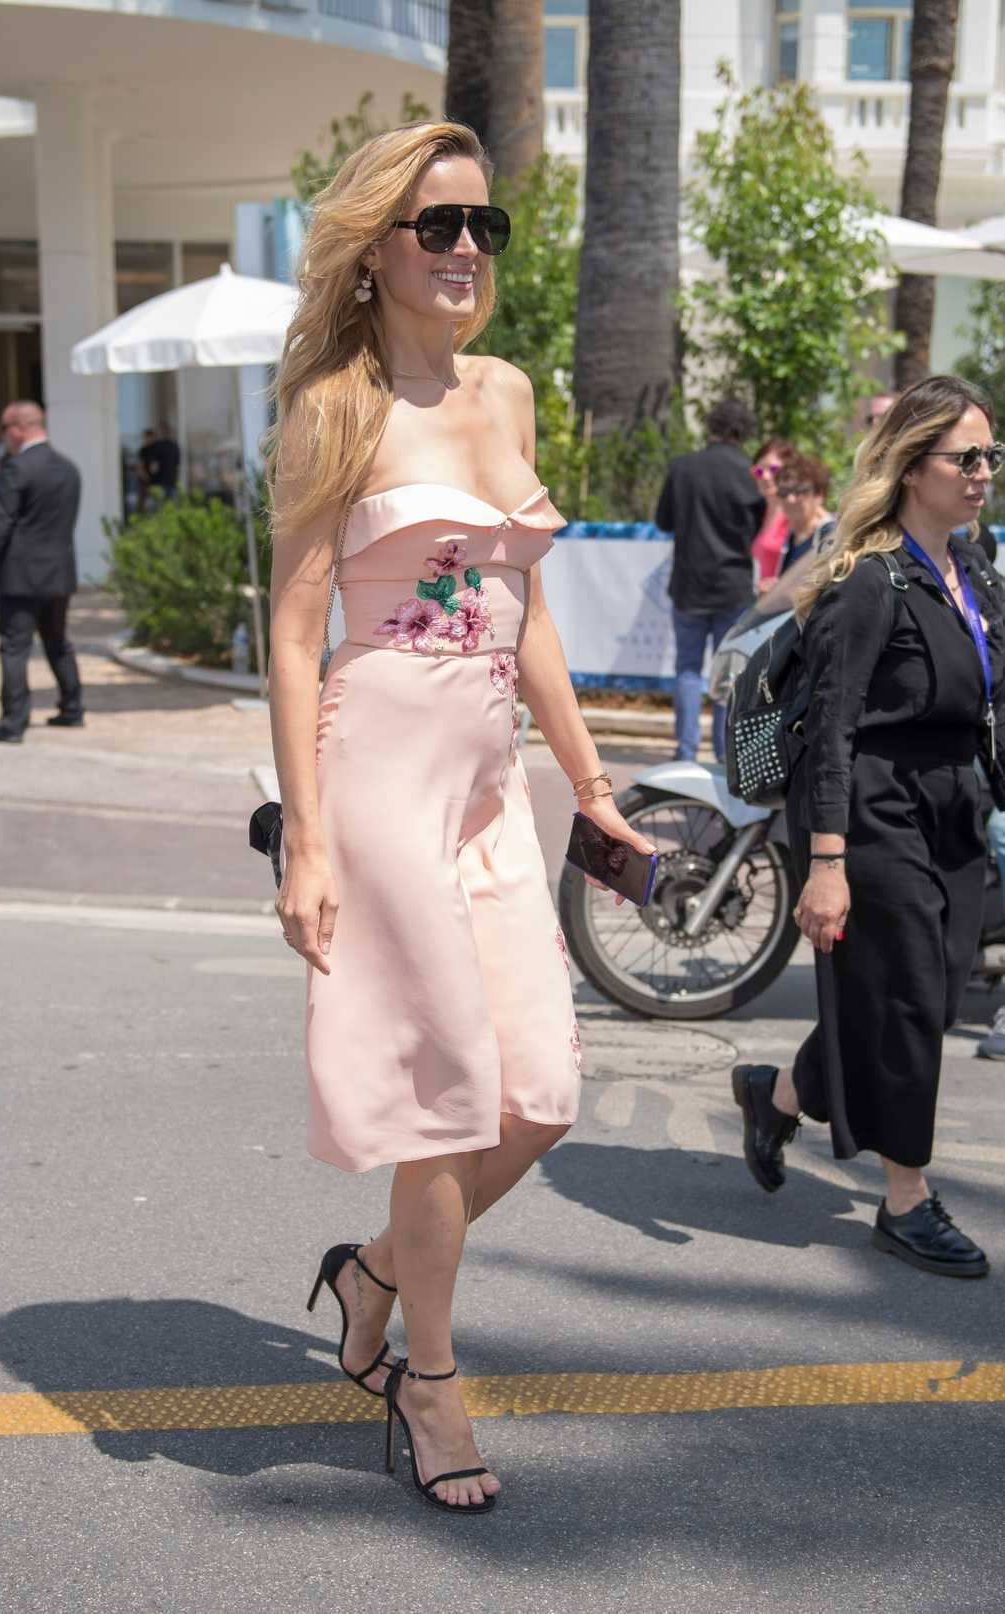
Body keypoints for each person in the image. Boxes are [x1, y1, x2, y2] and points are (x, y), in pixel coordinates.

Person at [266, 120, 654, 1513]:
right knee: (440, 1105)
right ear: (376, 246)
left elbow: (527, 616)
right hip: (375, 777)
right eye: (438, 227)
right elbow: (296, 633)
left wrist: (594, 788)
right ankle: (425, 1377)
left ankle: (373, 1272)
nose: (464, 252)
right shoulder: (335, 404)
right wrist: (306, 837)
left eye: (483, 227)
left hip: (492, 789)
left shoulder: (505, 389)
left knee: (538, 1093)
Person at [732, 375, 1003, 1278]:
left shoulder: (978, 568)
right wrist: (827, 862)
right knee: (915, 1001)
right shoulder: (866, 581)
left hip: (954, 807)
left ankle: (777, 1098)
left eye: (990, 455)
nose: (982, 472)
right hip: (873, 810)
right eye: (965, 457)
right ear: (912, 465)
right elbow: (836, 733)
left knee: (911, 993)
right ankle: (906, 1201)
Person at [0, 400, 84, 743]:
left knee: (14, 648)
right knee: (58, 643)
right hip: (58, 574)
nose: (2, 437)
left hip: (19, 577)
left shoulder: (17, 469)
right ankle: (72, 708)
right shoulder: (69, 468)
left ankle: (13, 723)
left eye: (4, 428)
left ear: (19, 427)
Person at [655, 398, 765, 762]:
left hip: (688, 585)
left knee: (688, 669)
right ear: (743, 432)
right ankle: (724, 755)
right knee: (729, 675)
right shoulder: (752, 474)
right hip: (733, 586)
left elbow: (664, 522)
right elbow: (762, 533)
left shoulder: (683, 467)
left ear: (711, 427)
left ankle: (685, 753)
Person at [774, 452, 835, 575]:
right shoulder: (792, 536)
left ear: (819, 495)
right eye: (784, 492)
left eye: (799, 491)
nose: (790, 499)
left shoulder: (830, 536)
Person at [749, 436, 794, 586]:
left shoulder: (795, 514)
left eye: (774, 469)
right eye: (759, 471)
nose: (766, 476)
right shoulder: (756, 512)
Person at [142, 424, 181, 503]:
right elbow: (177, 465)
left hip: (159, 484)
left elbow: (153, 468)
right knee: (172, 509)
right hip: (172, 482)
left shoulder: (155, 447)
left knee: (158, 511)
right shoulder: (175, 446)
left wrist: (148, 479)